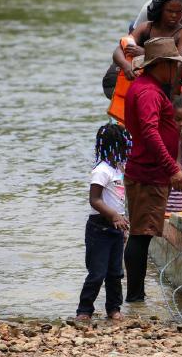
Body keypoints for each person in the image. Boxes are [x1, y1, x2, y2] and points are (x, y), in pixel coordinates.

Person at [123, 37, 182, 302]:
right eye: (175, 66)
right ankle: (135, 297)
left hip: (147, 170)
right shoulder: (149, 92)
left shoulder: (145, 87)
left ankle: (135, 296)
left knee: (142, 233)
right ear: (162, 65)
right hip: (147, 172)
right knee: (141, 235)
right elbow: (151, 133)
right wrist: (172, 168)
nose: (178, 71)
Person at [76, 124, 132, 322]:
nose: (127, 150)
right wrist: (114, 215)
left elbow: (119, 199)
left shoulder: (117, 169)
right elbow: (95, 200)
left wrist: (123, 222)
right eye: (125, 146)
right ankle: (84, 310)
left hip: (116, 229)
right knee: (97, 273)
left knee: (115, 273)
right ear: (114, 146)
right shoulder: (101, 171)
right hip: (99, 228)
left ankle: (113, 309)